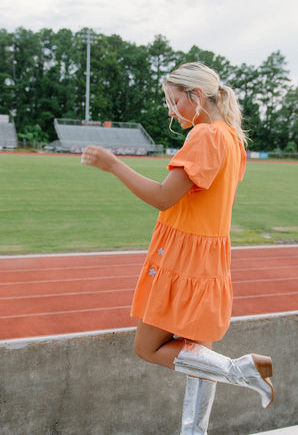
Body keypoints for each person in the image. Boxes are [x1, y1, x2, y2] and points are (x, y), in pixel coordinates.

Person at [81, 62, 274, 434]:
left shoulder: (205, 136)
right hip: (210, 260)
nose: (171, 110)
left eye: (173, 101)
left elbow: (164, 197)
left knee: (147, 347)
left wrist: (114, 164)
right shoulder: (232, 139)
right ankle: (194, 431)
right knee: (199, 361)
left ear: (196, 96)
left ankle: (243, 369)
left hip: (184, 259)